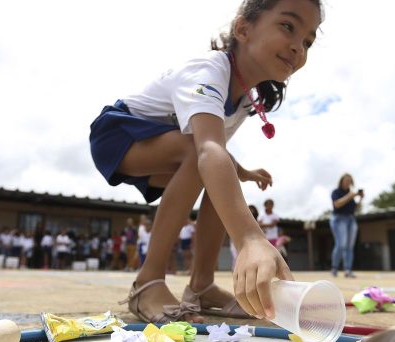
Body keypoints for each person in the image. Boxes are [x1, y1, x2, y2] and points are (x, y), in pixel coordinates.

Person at [88, 0, 321, 322]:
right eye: (288, 27)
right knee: (202, 158)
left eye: (308, 41)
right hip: (118, 133)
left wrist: (242, 171)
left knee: (218, 178)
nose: (298, 47)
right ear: (243, 29)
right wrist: (251, 238)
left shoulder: (245, 99)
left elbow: (213, 149)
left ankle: (201, 285)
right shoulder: (208, 69)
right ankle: (147, 281)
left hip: (174, 143)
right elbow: (206, 148)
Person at [330, 173, 362, 278]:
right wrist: (350, 196)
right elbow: (337, 204)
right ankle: (334, 268)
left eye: (350, 180)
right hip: (339, 219)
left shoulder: (351, 194)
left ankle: (348, 270)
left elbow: (355, 208)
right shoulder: (336, 192)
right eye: (346, 180)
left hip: (351, 219)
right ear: (342, 181)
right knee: (341, 244)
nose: (348, 182)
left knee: (349, 246)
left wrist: (360, 199)